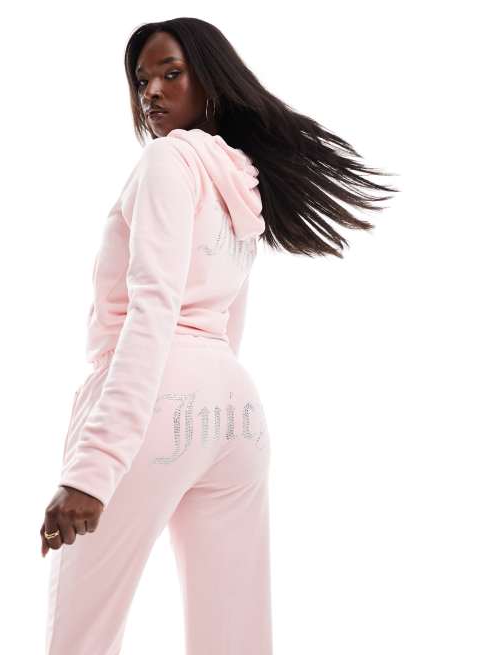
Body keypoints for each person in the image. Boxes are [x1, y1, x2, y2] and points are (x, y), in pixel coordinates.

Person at [41, 17, 399, 655]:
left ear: (209, 82)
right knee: (235, 637)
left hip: (155, 396)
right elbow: (229, 315)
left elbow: (153, 310)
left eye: (170, 73)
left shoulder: (167, 162)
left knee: (80, 636)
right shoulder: (239, 178)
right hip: (234, 409)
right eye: (142, 80)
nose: (152, 91)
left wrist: (92, 470)